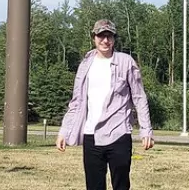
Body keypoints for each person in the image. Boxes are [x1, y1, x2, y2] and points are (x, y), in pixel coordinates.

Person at [56, 19, 154, 190]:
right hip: (91, 135)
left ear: (114, 39)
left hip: (119, 133)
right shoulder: (85, 64)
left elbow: (139, 97)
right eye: (101, 36)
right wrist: (64, 131)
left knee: (121, 185)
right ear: (94, 37)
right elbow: (76, 102)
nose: (105, 41)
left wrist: (146, 130)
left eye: (109, 36)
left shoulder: (126, 62)